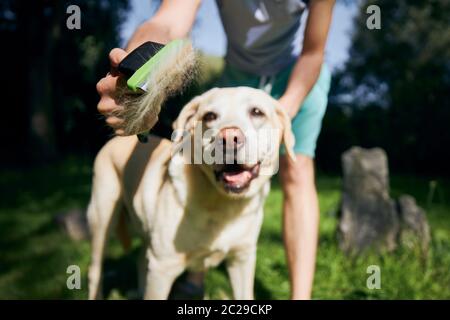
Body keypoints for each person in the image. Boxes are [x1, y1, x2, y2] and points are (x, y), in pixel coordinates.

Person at [96, 0, 335, 300]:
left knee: (298, 171)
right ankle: (194, 276)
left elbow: (313, 52)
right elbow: (169, 21)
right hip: (239, 73)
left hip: (297, 72)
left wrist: (278, 117)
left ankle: (301, 297)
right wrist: (136, 73)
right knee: (205, 163)